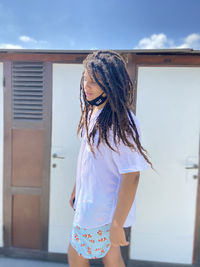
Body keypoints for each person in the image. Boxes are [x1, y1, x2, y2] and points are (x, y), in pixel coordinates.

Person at [67, 50, 154, 267]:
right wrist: (77, 189)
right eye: (85, 79)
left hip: (101, 211)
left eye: (94, 82)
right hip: (91, 205)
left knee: (76, 253)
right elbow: (89, 161)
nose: (86, 86)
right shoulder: (93, 112)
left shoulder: (121, 122)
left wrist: (117, 224)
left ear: (111, 84)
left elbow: (132, 175)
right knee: (110, 255)